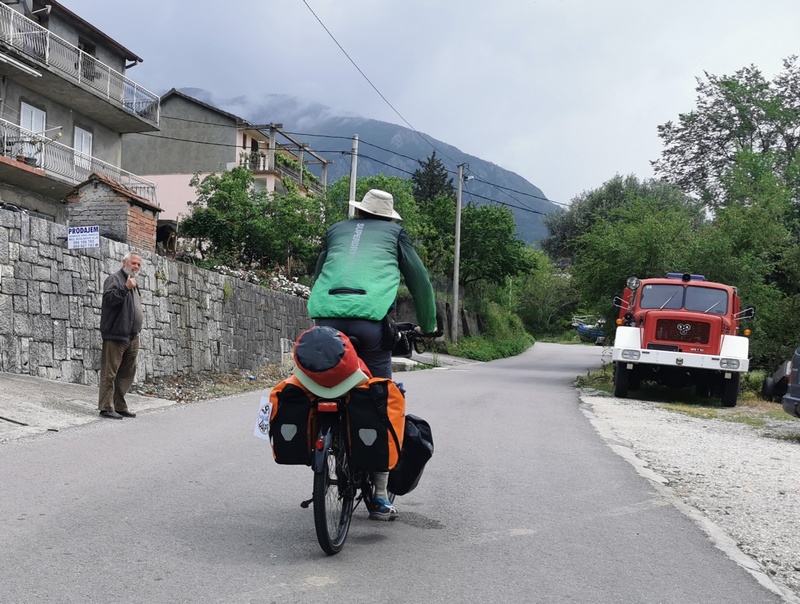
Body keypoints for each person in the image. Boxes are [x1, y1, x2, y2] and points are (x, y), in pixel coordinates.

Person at [307, 188, 438, 520]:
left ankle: (326, 437)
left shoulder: (336, 230)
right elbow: (420, 282)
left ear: (360, 212)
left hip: (326, 317)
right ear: (388, 217)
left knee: (325, 382)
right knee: (381, 398)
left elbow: (319, 274)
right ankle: (380, 496)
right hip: (370, 324)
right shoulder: (396, 235)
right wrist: (429, 325)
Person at [98, 251, 144, 419]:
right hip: (116, 335)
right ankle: (106, 407)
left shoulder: (133, 282)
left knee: (126, 373)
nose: (136, 266)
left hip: (132, 336)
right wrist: (125, 288)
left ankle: (119, 405)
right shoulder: (114, 279)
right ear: (124, 262)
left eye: (138, 264)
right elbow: (109, 300)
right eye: (133, 263)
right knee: (110, 373)